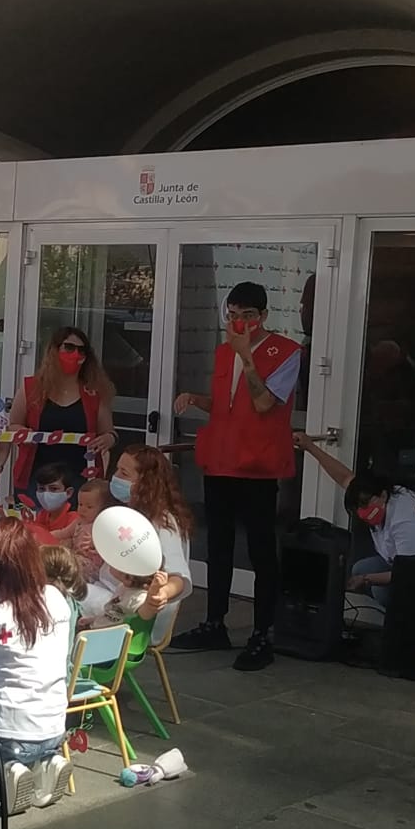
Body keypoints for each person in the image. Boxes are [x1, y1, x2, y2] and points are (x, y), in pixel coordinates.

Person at [171, 282, 300, 671]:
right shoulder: (224, 351)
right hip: (222, 462)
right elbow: (229, 408)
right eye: (234, 315)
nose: (240, 322)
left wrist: (248, 358)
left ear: (262, 317)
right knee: (220, 546)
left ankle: (263, 634)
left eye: (248, 315)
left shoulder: (286, 352)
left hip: (257, 467)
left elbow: (263, 404)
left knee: (261, 550)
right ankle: (215, 622)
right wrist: (195, 399)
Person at [0, 517, 73, 814]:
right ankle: (48, 763)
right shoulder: (56, 598)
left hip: (8, 728)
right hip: (53, 723)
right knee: (41, 749)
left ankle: (6, 775)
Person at [294, 432, 415, 608]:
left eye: (366, 504)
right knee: (362, 568)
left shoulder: (407, 521)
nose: (363, 510)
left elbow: (407, 571)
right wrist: (310, 447)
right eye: (358, 507)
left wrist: (365, 580)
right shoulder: (378, 493)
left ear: (382, 495)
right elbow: (344, 477)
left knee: (380, 586)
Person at [1, 326, 117, 507]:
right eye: (69, 347)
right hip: (35, 477)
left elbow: (109, 433)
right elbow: (13, 425)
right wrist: (24, 434)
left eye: (81, 350)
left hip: (80, 480)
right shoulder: (30, 388)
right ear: (54, 350)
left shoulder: (94, 392)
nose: (75, 354)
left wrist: (107, 439)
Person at [93, 445, 193, 618]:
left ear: (145, 483)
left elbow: (179, 578)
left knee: (66, 594)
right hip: (114, 594)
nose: (115, 477)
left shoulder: (162, 521)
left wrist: (159, 596)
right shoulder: (132, 513)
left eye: (124, 474)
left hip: (134, 606)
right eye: (116, 470)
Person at [52, 478, 111, 582]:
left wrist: (95, 544)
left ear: (103, 509)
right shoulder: (79, 522)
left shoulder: (102, 526)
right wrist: (46, 536)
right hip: (75, 557)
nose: (82, 509)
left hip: (92, 566)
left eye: (89, 507)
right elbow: (63, 533)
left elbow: (108, 549)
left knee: (67, 563)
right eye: (80, 504)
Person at [30, 463, 79, 530]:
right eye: (42, 489)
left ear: (68, 493)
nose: (46, 494)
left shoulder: (74, 518)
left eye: (54, 489)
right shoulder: (42, 514)